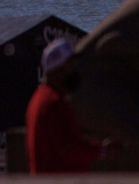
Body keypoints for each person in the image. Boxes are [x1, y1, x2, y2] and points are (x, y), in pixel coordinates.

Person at [25, 38, 105, 173]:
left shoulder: (38, 98)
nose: (75, 72)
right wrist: (102, 150)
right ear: (57, 71)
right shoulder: (54, 102)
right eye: (71, 67)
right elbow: (69, 149)